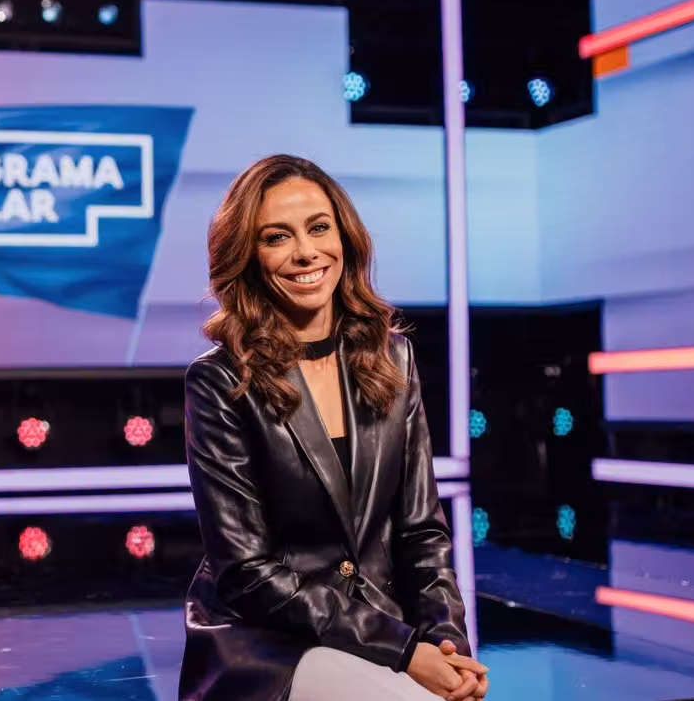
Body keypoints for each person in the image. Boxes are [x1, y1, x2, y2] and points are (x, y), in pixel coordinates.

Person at [177, 154, 490, 701]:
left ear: (345, 237)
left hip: (382, 630)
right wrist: (403, 650)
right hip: (270, 645)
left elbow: (421, 533)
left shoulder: (394, 358)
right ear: (248, 256)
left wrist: (445, 645)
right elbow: (247, 574)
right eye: (277, 237)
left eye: (319, 228)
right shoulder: (219, 380)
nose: (306, 252)